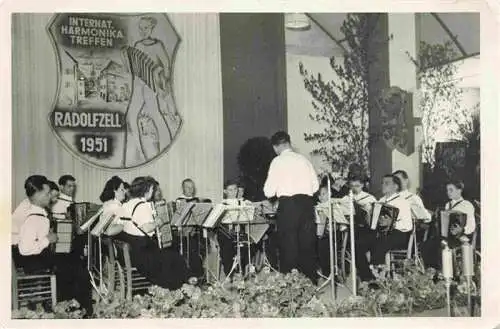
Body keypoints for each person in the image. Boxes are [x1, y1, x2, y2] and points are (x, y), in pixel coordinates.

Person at [15, 175, 93, 316]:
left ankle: (70, 303)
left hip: (36, 256)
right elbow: (25, 249)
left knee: (73, 261)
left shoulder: (35, 211)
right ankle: (79, 308)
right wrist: (47, 239)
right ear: (37, 194)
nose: (49, 197)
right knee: (77, 269)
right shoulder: (33, 217)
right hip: (31, 261)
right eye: (46, 194)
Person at [123, 16, 181, 167]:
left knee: (156, 115)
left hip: (150, 87)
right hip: (138, 85)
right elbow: (134, 68)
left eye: (146, 28)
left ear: (151, 28)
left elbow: (167, 68)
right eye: (140, 28)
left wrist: (159, 76)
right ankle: (141, 155)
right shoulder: (137, 45)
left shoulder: (158, 45)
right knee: (130, 117)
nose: (143, 31)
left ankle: (167, 149)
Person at [263, 131, 319, 284]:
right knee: (307, 246)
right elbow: (315, 187)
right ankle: (311, 284)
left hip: (289, 206)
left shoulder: (277, 161)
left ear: (276, 147)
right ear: (289, 143)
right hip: (307, 205)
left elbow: (268, 191)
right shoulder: (304, 160)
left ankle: (290, 287)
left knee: (289, 246)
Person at [115, 176, 188, 290]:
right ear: (147, 190)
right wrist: (158, 222)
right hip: (142, 255)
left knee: (169, 254)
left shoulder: (126, 204)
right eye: (152, 189)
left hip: (130, 252)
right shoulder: (144, 205)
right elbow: (147, 228)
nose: (153, 192)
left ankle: (170, 288)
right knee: (175, 257)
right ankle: (174, 289)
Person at [355, 174, 412, 282]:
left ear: (396, 186)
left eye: (387, 183)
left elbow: (408, 226)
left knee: (380, 242)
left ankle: (379, 276)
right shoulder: (380, 200)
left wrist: (392, 223)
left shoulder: (402, 202)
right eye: (382, 183)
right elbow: (374, 223)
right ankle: (367, 276)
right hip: (380, 233)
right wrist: (368, 216)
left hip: (398, 234)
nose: (383, 185)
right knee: (359, 243)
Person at [421, 180, 476, 270]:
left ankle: (443, 272)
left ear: (459, 190)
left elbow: (472, 225)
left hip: (460, 237)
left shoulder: (467, 205)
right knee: (426, 245)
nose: (448, 193)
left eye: (451, 190)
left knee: (440, 245)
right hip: (445, 237)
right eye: (447, 190)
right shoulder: (447, 205)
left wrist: (462, 229)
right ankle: (432, 272)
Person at [217, 179, 257, 277]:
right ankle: (230, 275)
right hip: (225, 233)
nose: (234, 192)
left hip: (239, 232)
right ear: (225, 191)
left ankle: (243, 272)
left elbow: (249, 218)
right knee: (227, 248)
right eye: (230, 190)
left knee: (250, 245)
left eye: (235, 189)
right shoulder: (222, 204)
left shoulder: (242, 203)